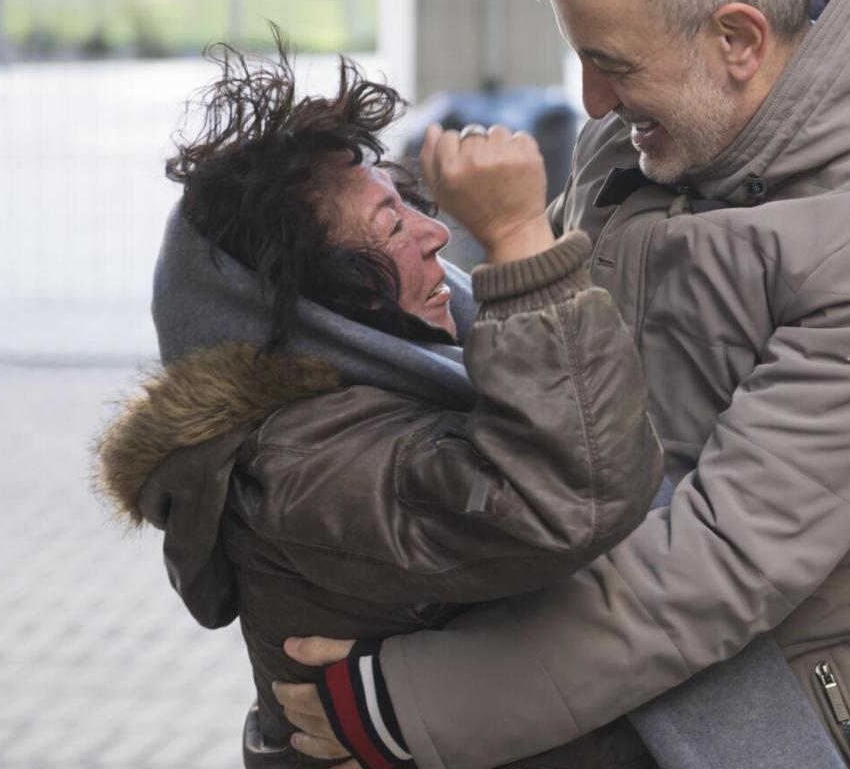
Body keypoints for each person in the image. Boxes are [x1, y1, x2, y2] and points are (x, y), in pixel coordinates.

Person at [276, 0, 850, 769]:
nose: (590, 102)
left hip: (804, 720)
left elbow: (722, 561)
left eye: (614, 64)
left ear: (737, 39)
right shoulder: (644, 144)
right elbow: (555, 406)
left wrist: (405, 705)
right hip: (629, 683)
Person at [94, 42, 671, 768]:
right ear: (312, 304)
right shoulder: (304, 465)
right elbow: (573, 492)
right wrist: (519, 243)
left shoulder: (376, 392)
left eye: (408, 208)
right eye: (393, 228)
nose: (436, 235)